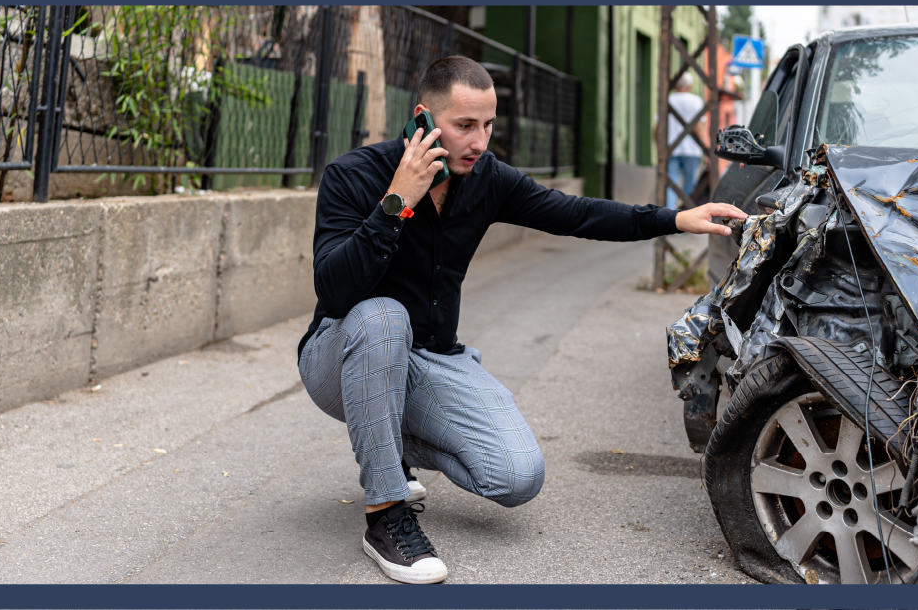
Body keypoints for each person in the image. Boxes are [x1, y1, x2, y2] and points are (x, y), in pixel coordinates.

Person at [296, 56, 745, 585]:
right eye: (464, 126)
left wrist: (673, 219)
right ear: (423, 118)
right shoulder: (355, 175)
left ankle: (386, 452)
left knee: (516, 475)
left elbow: (575, 213)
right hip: (342, 354)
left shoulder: (485, 178)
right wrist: (398, 201)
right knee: (381, 314)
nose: (479, 141)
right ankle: (386, 513)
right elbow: (335, 289)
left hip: (429, 358)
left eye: (488, 125)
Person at [665, 72, 706, 209]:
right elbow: (699, 128)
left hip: (672, 148)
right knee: (690, 185)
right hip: (692, 150)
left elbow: (657, 127)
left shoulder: (669, 99)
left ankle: (669, 214)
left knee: (671, 183)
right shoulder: (696, 101)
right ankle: (688, 215)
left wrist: (659, 147)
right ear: (690, 85)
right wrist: (705, 149)